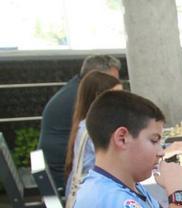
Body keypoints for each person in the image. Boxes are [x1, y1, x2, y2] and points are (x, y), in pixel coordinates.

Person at [39, 54, 121, 191]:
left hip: (68, 169)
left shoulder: (77, 90)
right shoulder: (82, 103)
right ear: (97, 80)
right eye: (112, 80)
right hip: (67, 173)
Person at [64, 71, 123, 208]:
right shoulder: (94, 129)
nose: (122, 101)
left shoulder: (86, 123)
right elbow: (118, 164)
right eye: (115, 96)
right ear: (98, 97)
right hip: (93, 202)